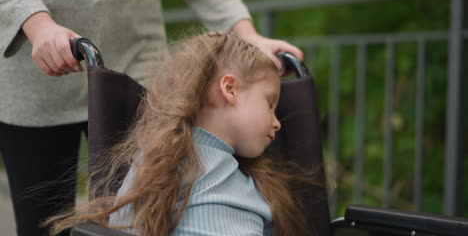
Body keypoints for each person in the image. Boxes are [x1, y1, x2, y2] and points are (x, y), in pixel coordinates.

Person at [0, 0, 303, 235]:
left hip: (136, 66)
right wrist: (37, 25)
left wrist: (246, 37)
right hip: (35, 73)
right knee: (42, 224)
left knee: (148, 209)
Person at [47, 32, 316, 236]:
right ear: (230, 89)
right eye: (269, 105)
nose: (277, 123)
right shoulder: (166, 162)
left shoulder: (250, 181)